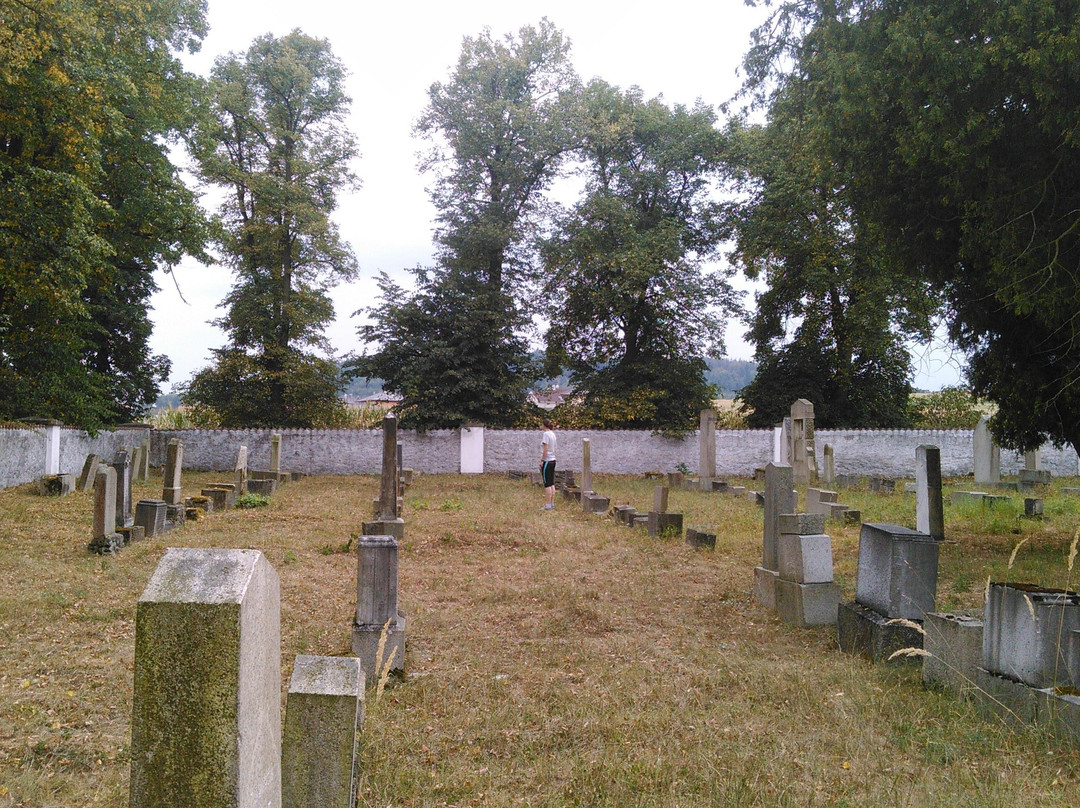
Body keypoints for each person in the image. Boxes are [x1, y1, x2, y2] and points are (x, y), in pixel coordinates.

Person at [540, 418, 557, 510]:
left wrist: (542, 460)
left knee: (547, 484)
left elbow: (545, 448)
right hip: (553, 460)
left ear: (544, 425)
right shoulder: (553, 434)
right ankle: (552, 504)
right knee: (552, 483)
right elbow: (555, 448)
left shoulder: (546, 434)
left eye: (541, 424)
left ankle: (548, 505)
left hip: (547, 461)